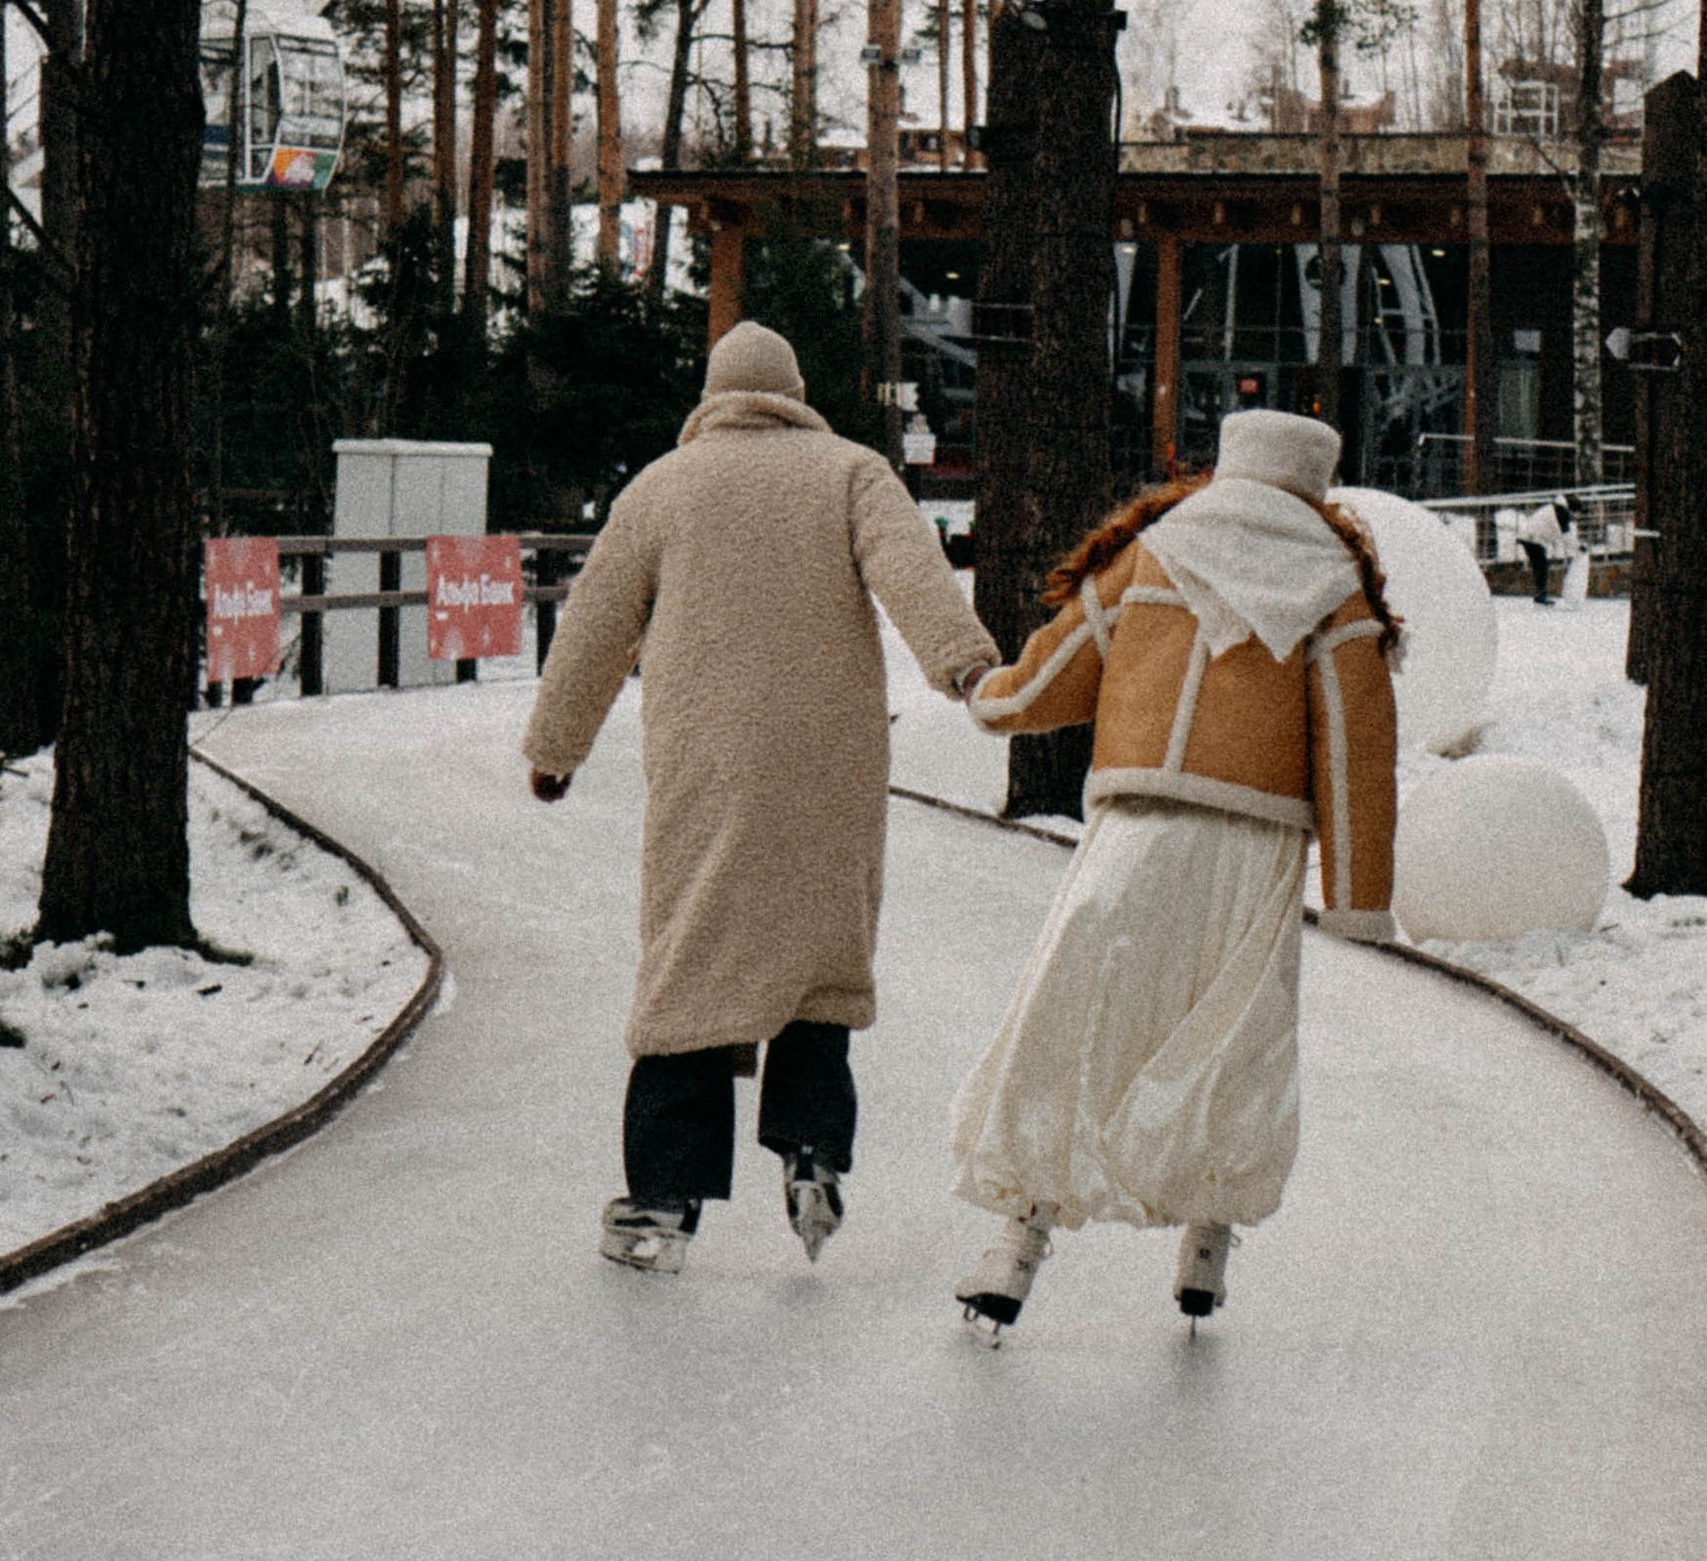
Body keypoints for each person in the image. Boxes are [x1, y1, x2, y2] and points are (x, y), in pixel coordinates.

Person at [522, 320, 995, 1275]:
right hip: (833, 767)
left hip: (708, 768)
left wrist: (554, 747)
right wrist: (967, 668)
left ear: (712, 394)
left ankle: (661, 1202)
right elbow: (915, 576)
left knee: (692, 968)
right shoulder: (852, 472)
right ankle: (812, 1152)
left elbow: (596, 626)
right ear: (794, 390)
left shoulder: (662, 486)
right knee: (821, 966)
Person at [946, 408, 1399, 1338]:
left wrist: (981, 696)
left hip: (1134, 829)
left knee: (1072, 1024)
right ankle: (1208, 1240)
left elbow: (1040, 687)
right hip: (1255, 848)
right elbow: (1359, 758)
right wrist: (1358, 900)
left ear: (1223, 467)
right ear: (1318, 483)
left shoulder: (1146, 557)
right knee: (1230, 1041)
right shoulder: (1336, 592)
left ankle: (1016, 1243)